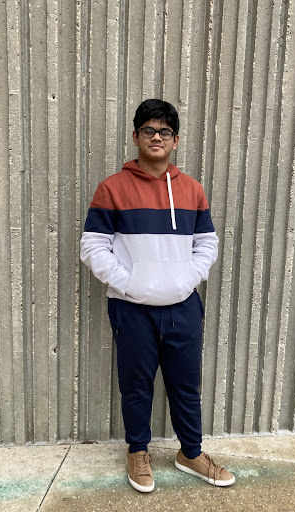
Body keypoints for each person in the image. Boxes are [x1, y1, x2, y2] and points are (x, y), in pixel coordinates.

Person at [80, 99, 235, 492]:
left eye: (164, 132)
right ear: (135, 137)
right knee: (136, 384)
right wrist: (129, 284)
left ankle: (191, 452)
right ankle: (137, 451)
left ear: (175, 141)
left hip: (183, 306)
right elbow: (93, 247)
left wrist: (188, 279)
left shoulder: (191, 189)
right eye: (148, 130)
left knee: (186, 384)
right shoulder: (111, 188)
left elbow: (208, 243)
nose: (156, 137)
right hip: (131, 309)